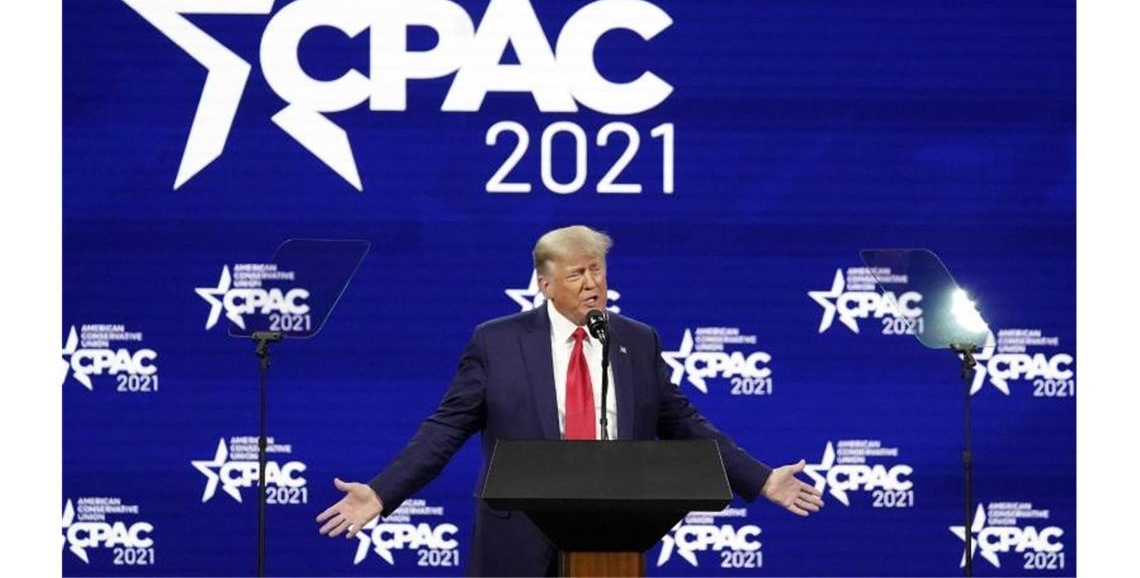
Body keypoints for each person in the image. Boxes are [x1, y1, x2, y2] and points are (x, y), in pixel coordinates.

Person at [318, 225, 822, 575]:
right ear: (545, 283)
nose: (592, 284)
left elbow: (683, 420)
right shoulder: (497, 342)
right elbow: (445, 430)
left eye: (598, 270)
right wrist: (383, 493)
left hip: (612, 537)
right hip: (516, 539)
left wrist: (759, 477)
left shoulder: (636, 340)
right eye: (577, 274)